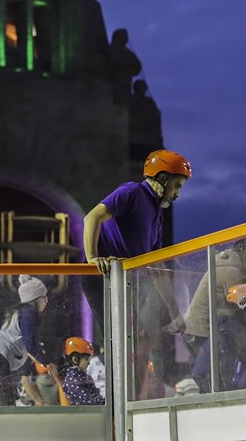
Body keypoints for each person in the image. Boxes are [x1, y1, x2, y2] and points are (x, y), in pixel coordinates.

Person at [82, 150, 191, 385]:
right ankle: (112, 397)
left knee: (136, 340)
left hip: (122, 281)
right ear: (162, 178)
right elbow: (92, 217)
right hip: (102, 277)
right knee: (119, 339)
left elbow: (157, 267)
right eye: (176, 186)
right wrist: (92, 258)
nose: (177, 194)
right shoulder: (132, 192)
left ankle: (129, 397)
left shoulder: (156, 216)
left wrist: (175, 312)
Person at [183, 237, 246, 392]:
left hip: (197, 329)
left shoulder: (224, 263)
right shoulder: (233, 272)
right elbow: (240, 309)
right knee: (237, 335)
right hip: (206, 329)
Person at [0, 275, 51, 406]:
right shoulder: (28, 314)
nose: (46, 301)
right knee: (8, 406)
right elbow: (30, 344)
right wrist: (47, 363)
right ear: (35, 298)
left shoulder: (20, 312)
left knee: (4, 403)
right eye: (44, 297)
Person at [59, 336, 105, 405]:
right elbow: (88, 400)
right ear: (75, 360)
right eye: (86, 359)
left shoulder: (80, 376)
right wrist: (108, 400)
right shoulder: (72, 380)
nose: (89, 363)